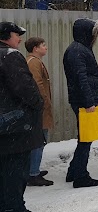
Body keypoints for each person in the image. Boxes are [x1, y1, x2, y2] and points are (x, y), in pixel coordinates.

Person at [0, 22, 44, 212]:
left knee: (4, 168)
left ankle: (4, 208)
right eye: (16, 34)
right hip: (15, 124)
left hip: (4, 124)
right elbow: (24, 87)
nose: (19, 39)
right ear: (7, 35)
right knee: (16, 170)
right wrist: (38, 103)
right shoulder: (10, 56)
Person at [63, 18, 98, 188]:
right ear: (86, 33)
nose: (96, 37)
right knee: (86, 138)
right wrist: (88, 102)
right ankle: (80, 176)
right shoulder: (77, 51)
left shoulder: (80, 49)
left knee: (85, 138)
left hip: (84, 100)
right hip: (84, 102)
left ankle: (74, 171)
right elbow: (81, 79)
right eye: (94, 33)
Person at [25, 37, 54, 186]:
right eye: (43, 45)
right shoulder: (34, 62)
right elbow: (37, 83)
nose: (46, 47)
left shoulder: (35, 61)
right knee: (39, 140)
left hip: (39, 107)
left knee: (39, 139)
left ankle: (33, 169)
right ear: (35, 48)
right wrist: (45, 101)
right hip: (39, 108)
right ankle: (33, 173)